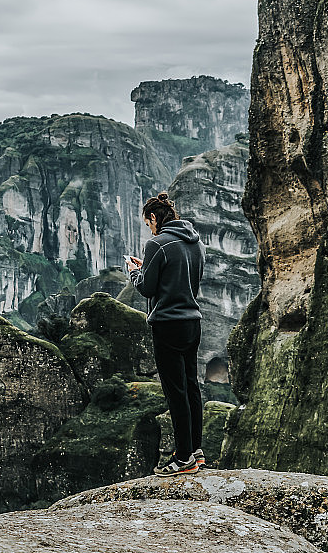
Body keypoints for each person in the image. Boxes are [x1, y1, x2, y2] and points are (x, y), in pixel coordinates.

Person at [126, 192, 206, 476]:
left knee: (176, 392)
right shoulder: (196, 244)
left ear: (153, 217)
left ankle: (183, 458)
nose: (150, 229)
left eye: (149, 224)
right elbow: (182, 279)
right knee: (191, 387)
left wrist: (134, 272)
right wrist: (147, 268)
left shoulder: (157, 244)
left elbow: (147, 287)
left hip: (168, 325)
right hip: (192, 323)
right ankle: (195, 450)